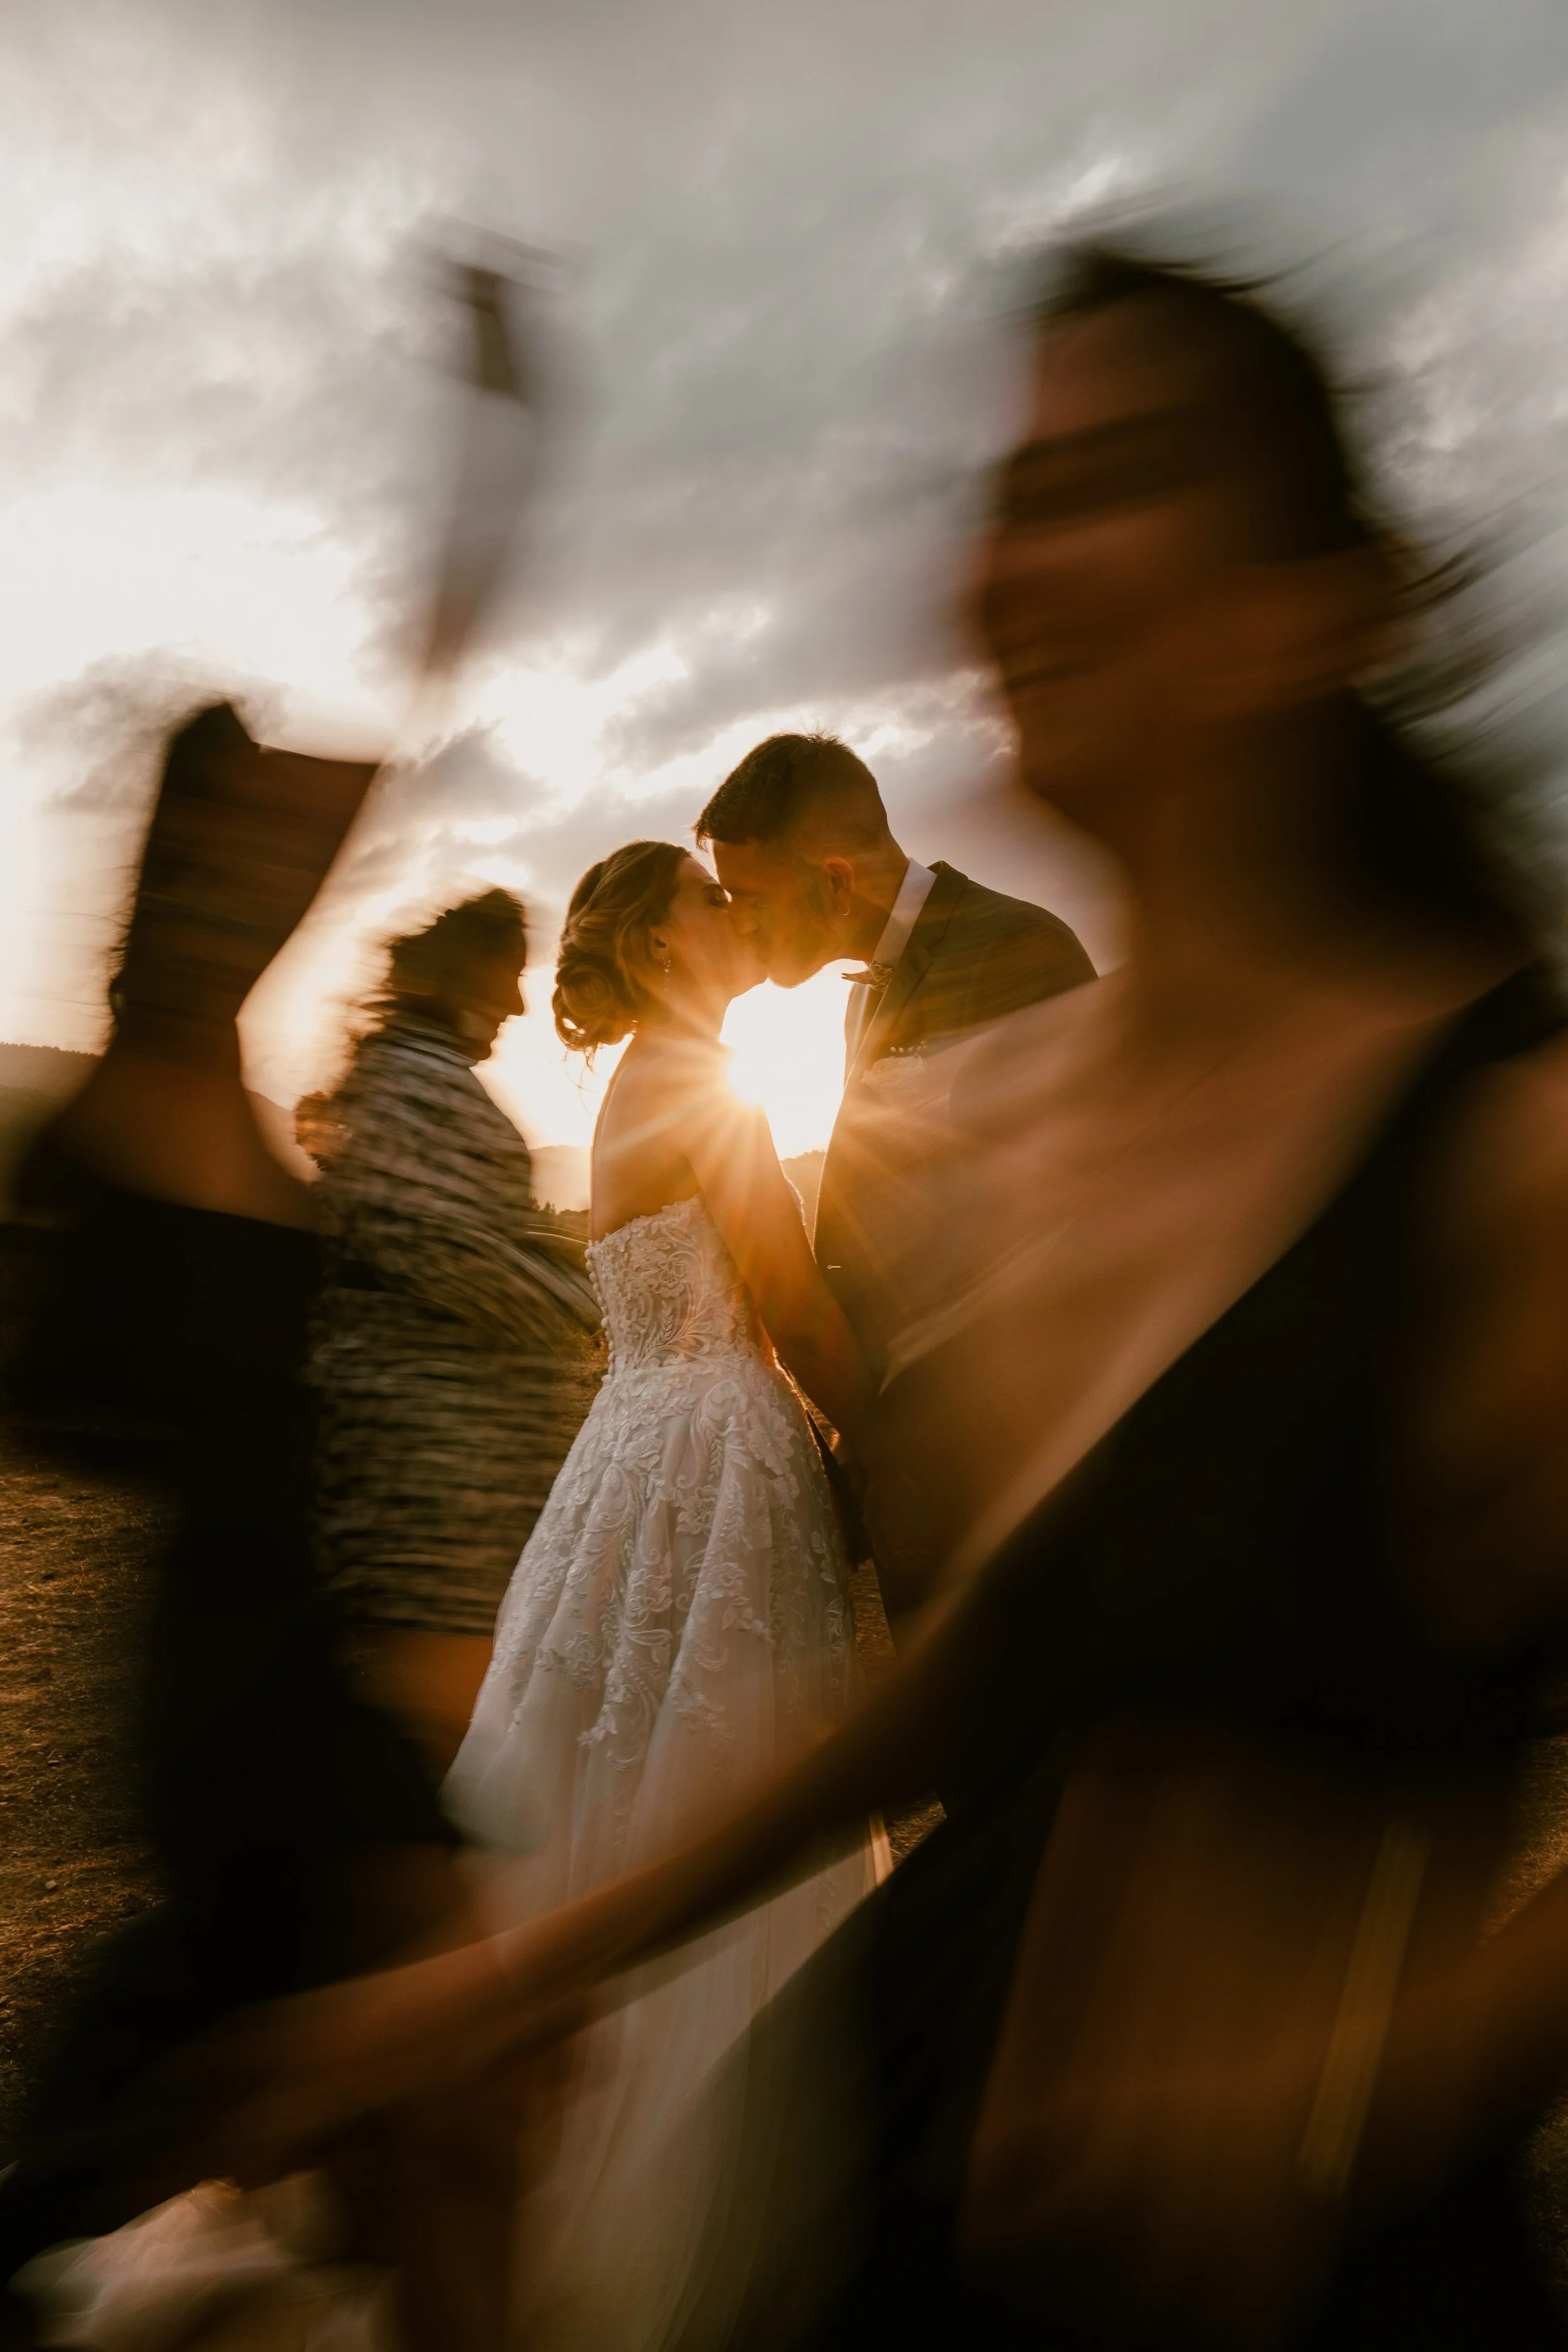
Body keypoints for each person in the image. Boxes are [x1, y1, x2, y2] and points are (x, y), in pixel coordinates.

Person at [201, 241, 1568, 2352]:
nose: (1026, 556)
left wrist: (1388, 2078)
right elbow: (971, 1678)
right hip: (915, 2136)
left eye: (1120, 481)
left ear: (1326, 599)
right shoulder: (1019, 1116)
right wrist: (519, 1973)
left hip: (1300, 2259)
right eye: (1011, 491)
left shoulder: (1503, 1136)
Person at [0, 704, 523, 2352]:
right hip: (224, 1704)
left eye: (266, 867)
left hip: (326, 1681)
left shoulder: (242, 1090)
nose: (256, 888)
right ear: (160, 879)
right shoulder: (87, 1146)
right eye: (214, 860)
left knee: (445, 2119)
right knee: (348, 2109)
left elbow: (342, 779)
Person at [442, 839, 881, 2352]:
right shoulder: (708, 1082)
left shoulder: (635, 1081)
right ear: (652, 935)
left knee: (599, 1762)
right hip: (720, 1448)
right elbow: (800, 1307)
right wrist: (889, 1431)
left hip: (626, 1442)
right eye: (707, 895)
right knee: (714, 1765)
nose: (731, 904)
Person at [695, 733, 1094, 1389]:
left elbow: (1061, 1231)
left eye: (751, 900)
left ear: (834, 882)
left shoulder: (1015, 949)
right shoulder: (859, 998)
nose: (739, 924)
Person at [306, 888, 601, 1775]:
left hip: (451, 1463)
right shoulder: (416, 1081)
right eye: (508, 979)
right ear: (461, 975)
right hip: (433, 1470)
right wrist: (587, 1300)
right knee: (449, 1732)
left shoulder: (409, 1071)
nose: (517, 1005)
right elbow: (445, 1248)